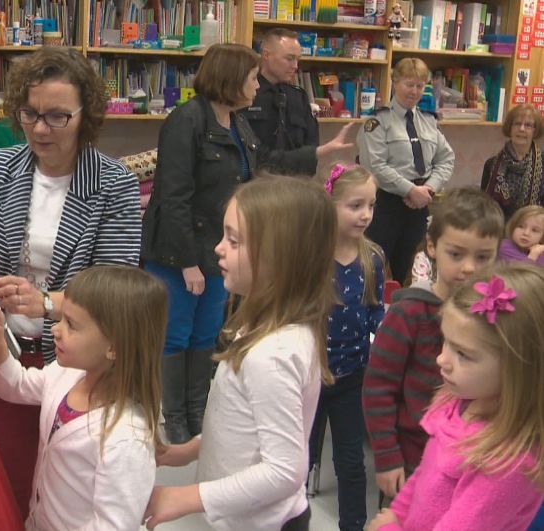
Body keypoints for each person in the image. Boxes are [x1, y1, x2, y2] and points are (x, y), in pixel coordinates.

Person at [141, 43, 354, 445]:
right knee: (176, 334)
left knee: (206, 333)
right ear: (230, 78)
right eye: (252, 77)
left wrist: (321, 152)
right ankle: (174, 417)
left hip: (219, 251)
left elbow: (266, 166)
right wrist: (187, 262)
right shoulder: (185, 121)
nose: (257, 86)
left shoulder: (236, 122)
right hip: (179, 253)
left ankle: (197, 411)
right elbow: (172, 197)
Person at [0, 46, 141, 515]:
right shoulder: (1, 168)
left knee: (53, 492)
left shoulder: (114, 185)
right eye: (30, 113)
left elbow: (117, 296)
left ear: (86, 115)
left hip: (71, 363)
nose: (41, 129)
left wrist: (45, 303)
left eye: (58, 117)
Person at [144, 176, 338, 531]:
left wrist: (187, 497)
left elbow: (284, 470)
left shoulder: (272, 355)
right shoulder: (270, 331)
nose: (218, 248)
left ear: (279, 258)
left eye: (233, 240)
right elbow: (245, 427)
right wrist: (188, 451)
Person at [0, 265, 165, 529]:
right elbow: (17, 384)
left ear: (113, 347)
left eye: (71, 325)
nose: (55, 330)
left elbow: (113, 524)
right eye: (61, 319)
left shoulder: (126, 437)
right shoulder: (65, 376)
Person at [368, 264, 544, 530]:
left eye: (463, 354)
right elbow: (424, 475)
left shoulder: (508, 462)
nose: (442, 359)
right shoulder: (459, 402)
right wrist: (397, 514)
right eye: (445, 342)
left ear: (518, 369)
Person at [363, 188, 504, 505]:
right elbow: (378, 388)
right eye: (456, 254)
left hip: (472, 461)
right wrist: (387, 457)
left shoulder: (496, 315)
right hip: (413, 461)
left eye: (483, 257)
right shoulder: (409, 313)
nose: (469, 268)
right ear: (432, 247)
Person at [311, 164, 385, 531]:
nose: (366, 214)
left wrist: (387, 330)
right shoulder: (311, 255)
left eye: (371, 205)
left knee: (351, 461)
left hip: (352, 377)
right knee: (298, 458)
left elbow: (374, 311)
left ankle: (352, 525)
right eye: (355, 205)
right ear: (331, 205)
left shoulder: (372, 259)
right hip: (308, 377)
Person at [358, 57, 455, 284]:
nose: (414, 91)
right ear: (395, 82)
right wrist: (410, 190)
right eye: (408, 84)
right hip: (385, 206)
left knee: (415, 272)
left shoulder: (428, 122)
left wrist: (428, 189)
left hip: (420, 207)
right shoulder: (377, 122)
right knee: (372, 272)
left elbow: (446, 159)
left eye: (420, 86)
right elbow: (375, 166)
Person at [242, 28, 319, 174]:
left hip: (295, 184)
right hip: (257, 183)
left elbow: (312, 148)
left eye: (298, 59)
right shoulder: (246, 94)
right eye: (289, 58)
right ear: (266, 55)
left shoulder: (298, 97)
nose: (295, 66)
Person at [481, 104, 544, 220]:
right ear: (510, 128)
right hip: (499, 231)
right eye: (517, 124)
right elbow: (484, 206)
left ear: (535, 131)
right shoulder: (491, 164)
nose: (522, 129)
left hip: (534, 231)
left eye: (528, 125)